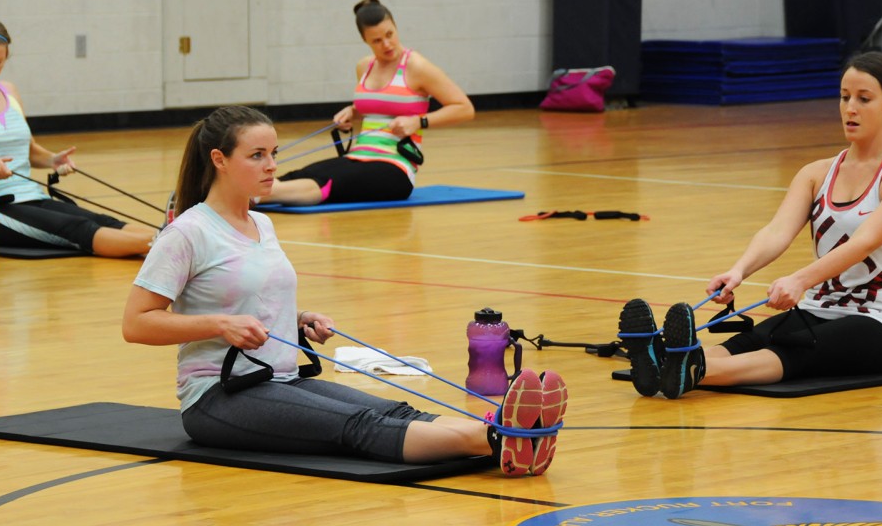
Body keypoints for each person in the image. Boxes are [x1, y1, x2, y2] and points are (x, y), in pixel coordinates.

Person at [122, 105, 565, 476]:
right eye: (256, 155)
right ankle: (499, 438)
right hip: (217, 397)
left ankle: (506, 432)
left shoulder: (262, 223)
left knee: (392, 410)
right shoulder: (188, 233)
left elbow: (248, 299)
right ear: (219, 159)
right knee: (356, 425)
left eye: (273, 153)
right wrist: (219, 324)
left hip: (279, 378)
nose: (271, 165)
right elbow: (136, 324)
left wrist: (296, 319)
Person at [620, 52, 882, 399]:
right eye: (844, 97)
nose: (850, 108)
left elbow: (864, 242)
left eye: (864, 99)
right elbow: (776, 232)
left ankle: (691, 369)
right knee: (750, 340)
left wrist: (800, 280)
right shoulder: (816, 172)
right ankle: (664, 362)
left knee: (798, 349)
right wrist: (738, 272)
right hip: (817, 308)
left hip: (880, 320)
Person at [0, 17, 157, 257]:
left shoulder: (9, 91)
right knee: (79, 229)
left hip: (31, 197)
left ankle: (172, 237)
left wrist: (53, 160)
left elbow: (28, 151)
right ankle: (167, 248)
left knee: (100, 219)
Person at [262, 0, 475, 206]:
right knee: (302, 174)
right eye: (377, 40)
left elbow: (464, 108)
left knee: (328, 182)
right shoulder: (365, 67)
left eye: (390, 34)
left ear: (396, 27)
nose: (387, 44)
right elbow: (377, 107)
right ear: (365, 41)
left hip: (395, 168)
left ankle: (257, 197)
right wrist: (352, 112)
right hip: (358, 156)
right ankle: (253, 194)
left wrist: (419, 122)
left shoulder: (417, 66)